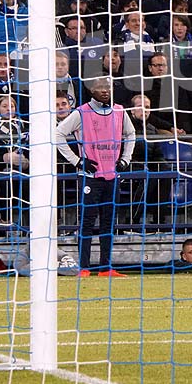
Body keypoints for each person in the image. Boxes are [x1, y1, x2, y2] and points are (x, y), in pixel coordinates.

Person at [52, 77, 136, 276]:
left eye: (108, 87)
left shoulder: (119, 111)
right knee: (87, 222)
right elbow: (58, 134)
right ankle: (84, 267)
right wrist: (77, 161)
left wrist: (125, 159)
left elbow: (131, 134)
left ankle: (106, 267)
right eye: (100, 87)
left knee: (108, 222)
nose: (105, 90)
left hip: (112, 175)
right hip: (89, 175)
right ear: (91, 90)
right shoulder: (81, 112)